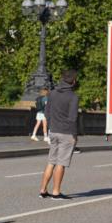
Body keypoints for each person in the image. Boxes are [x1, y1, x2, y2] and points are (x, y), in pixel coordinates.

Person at [38, 69, 79, 200]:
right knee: (61, 163)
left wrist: (52, 126)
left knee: (51, 161)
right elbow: (73, 118)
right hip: (67, 133)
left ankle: (43, 190)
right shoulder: (73, 96)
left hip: (53, 131)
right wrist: (74, 135)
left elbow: (47, 113)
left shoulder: (52, 93)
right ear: (73, 81)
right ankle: (56, 192)